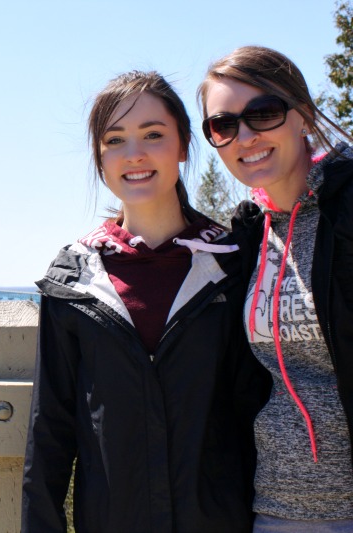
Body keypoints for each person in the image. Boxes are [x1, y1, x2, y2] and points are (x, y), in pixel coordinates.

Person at [21, 70, 270, 532]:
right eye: (114, 140)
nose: (133, 154)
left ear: (182, 146)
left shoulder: (234, 266)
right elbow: (49, 433)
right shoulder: (74, 278)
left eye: (153, 134)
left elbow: (259, 411)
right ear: (100, 160)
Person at [199, 45, 353, 531]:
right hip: (271, 511)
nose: (245, 136)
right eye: (223, 126)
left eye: (263, 113)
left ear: (304, 116)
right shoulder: (247, 238)